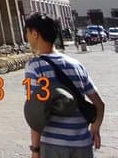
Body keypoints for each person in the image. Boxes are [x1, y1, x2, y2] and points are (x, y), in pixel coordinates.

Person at [24, 12, 106, 158]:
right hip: (83, 144)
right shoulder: (76, 65)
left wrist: (35, 150)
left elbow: (35, 113)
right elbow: (100, 104)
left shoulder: (35, 67)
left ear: (35, 34)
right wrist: (95, 128)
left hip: (54, 145)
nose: (27, 37)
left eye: (27, 32)